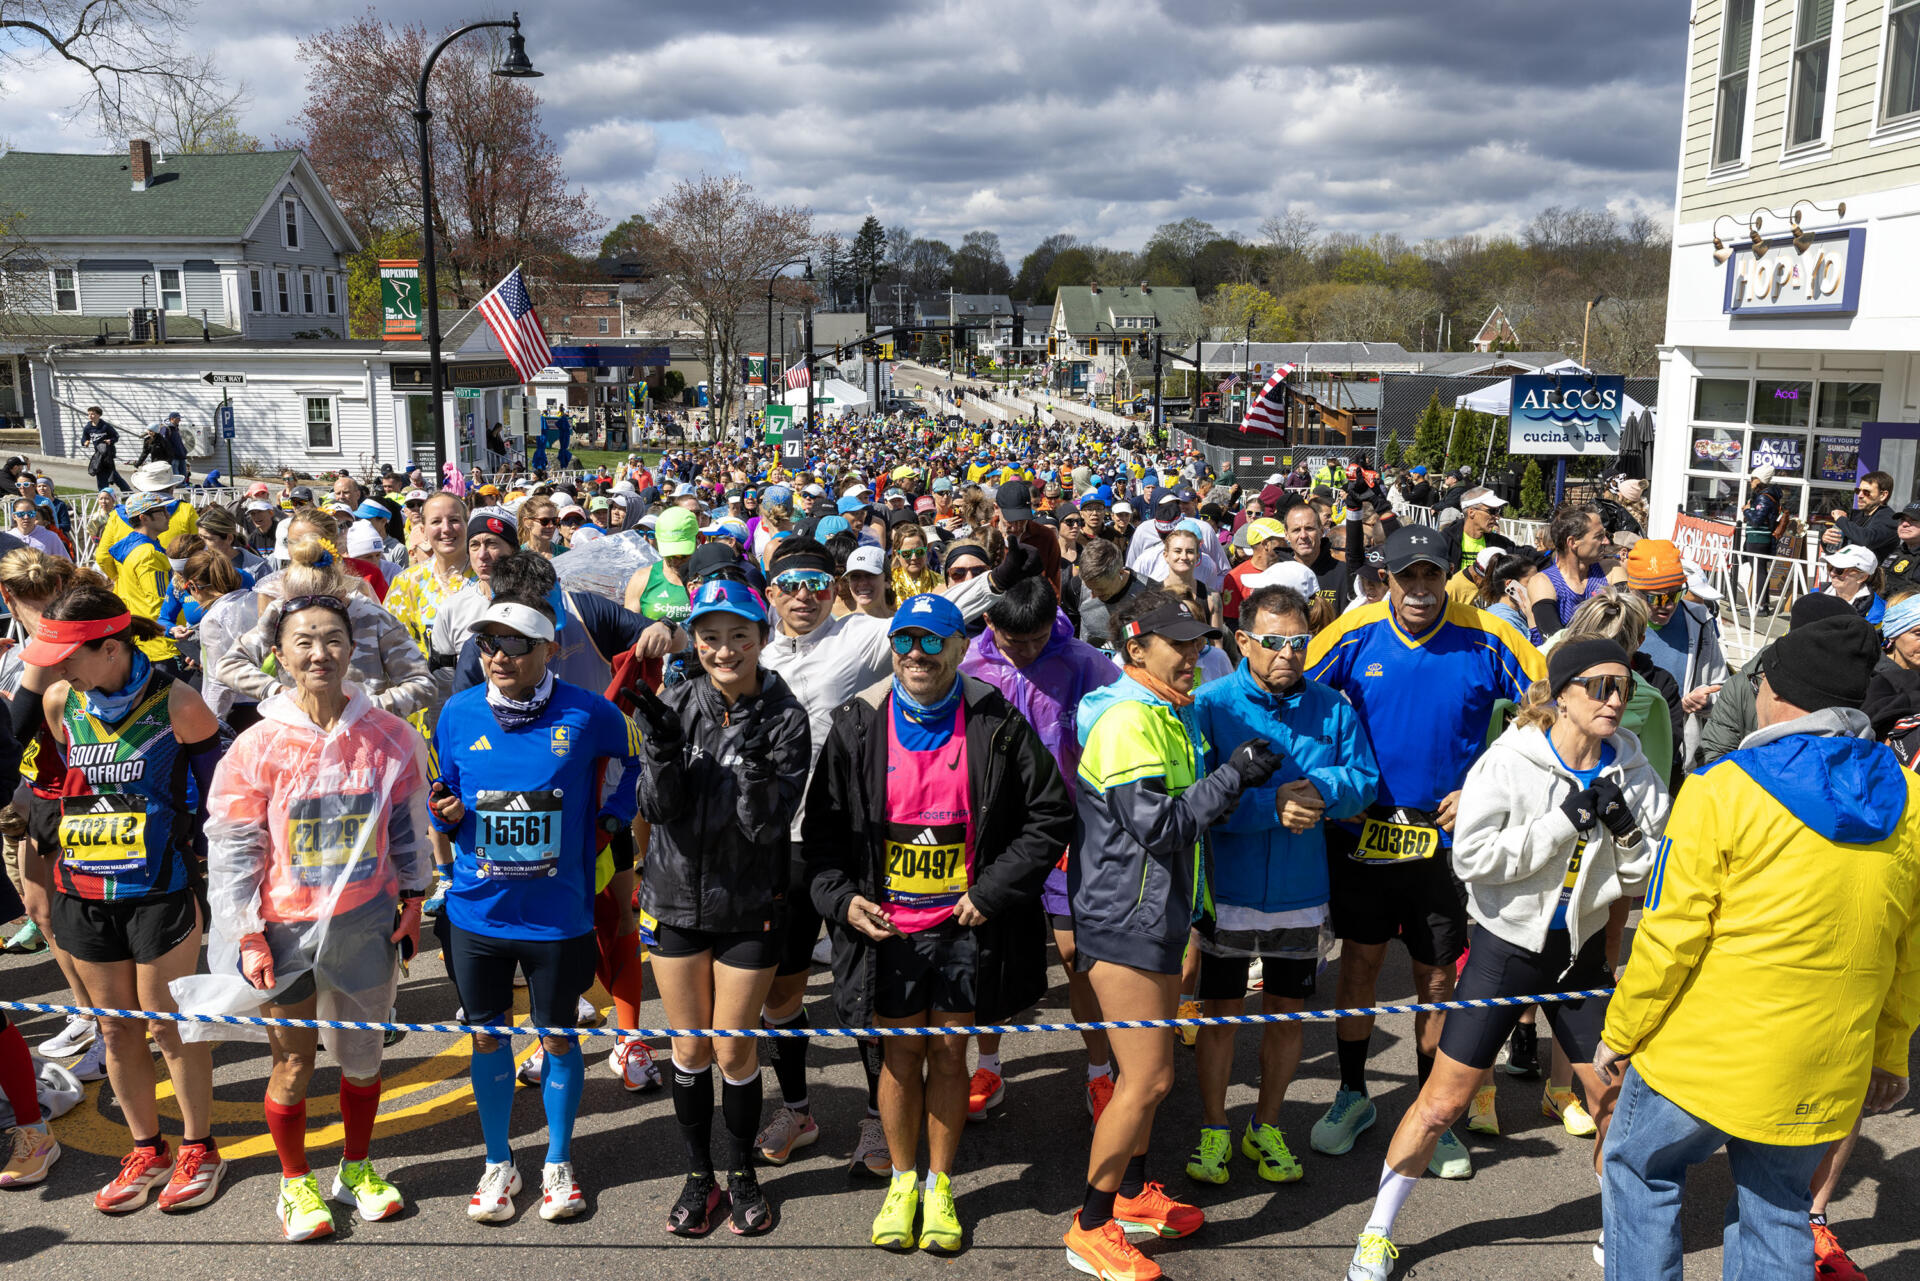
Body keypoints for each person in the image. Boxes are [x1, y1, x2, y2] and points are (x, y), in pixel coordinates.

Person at [1596, 614, 1920, 1281]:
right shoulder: (1912, 798)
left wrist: (1621, 1031)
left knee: (1639, 1168)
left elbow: (1668, 933)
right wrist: (1889, 1050)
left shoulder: (1721, 787)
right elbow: (1908, 949)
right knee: (1778, 1209)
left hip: (1704, 1057)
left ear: (1775, 689)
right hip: (1824, 1061)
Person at [1344, 639, 1668, 1280]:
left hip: (1578, 957)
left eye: (1623, 688)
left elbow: (1645, 870)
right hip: (1503, 951)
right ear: (1564, 694)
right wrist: (1563, 823)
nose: (1614, 700)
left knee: (1617, 1097)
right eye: (1600, 686)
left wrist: (1626, 829)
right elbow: (1473, 861)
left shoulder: (1633, 769)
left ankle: (1616, 1226)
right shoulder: (1511, 761)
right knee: (1442, 1104)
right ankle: (1376, 1231)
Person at [805, 592, 1073, 1254]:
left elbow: (1050, 815)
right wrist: (841, 900)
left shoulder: (997, 720)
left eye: (933, 640)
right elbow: (822, 835)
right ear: (892, 647)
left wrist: (993, 889)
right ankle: (903, 1179)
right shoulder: (857, 723)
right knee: (899, 1054)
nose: (917, 654)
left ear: (961, 648)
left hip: (963, 924)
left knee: (950, 1051)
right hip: (887, 928)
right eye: (906, 640)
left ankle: (942, 1184)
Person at [1303, 525, 1544, 1180]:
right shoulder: (1352, 634)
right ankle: (1352, 1095)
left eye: (1430, 575)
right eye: (1406, 575)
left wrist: (1485, 784)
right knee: (1358, 965)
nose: (1418, 588)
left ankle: (1429, 1115)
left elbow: (1549, 704)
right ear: (1386, 575)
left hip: (1444, 842)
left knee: (1436, 978)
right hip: (1363, 836)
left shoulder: (1487, 635)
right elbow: (1290, 696)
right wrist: (1328, 779)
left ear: (1447, 576)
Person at [196, 593, 432, 1240]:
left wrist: (415, 900)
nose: (318, 652)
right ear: (280, 654)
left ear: (353, 649)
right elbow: (236, 848)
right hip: (284, 927)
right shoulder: (258, 744)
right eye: (303, 640)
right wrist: (246, 933)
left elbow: (410, 828)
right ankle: (295, 1181)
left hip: (366, 921)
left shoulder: (388, 734)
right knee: (294, 1063)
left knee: (362, 1060)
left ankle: (356, 1168)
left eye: (331, 638)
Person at [1064, 588, 1282, 1281]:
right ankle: (1090, 1224)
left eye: (1195, 643)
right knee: (1150, 1076)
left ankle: (1130, 1193)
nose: (1192, 655)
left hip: (1154, 916)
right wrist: (1235, 774)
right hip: (1122, 920)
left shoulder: (1165, 711)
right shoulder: (1130, 718)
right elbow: (1159, 825)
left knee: (1145, 1079)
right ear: (1136, 648)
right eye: (1176, 644)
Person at [13, 584, 228, 1212]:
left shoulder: (181, 704)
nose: (55, 666)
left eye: (68, 654)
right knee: (115, 1028)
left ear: (111, 649)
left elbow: (220, 809)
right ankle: (147, 1148)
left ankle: (199, 1148)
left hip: (158, 889)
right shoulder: (59, 701)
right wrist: (34, 871)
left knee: (168, 1025)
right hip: (82, 887)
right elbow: (52, 795)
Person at [429, 588, 642, 1224]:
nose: (496, 655)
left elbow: (634, 759)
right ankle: (498, 1162)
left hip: (558, 915)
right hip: (478, 913)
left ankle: (556, 1161)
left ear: (550, 649)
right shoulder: (459, 712)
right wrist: (449, 807)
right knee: (489, 1039)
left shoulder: (588, 712)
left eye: (514, 643)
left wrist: (612, 816)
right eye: (485, 643)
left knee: (557, 1039)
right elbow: (449, 784)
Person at [629, 577, 811, 1237]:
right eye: (710, 636)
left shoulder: (786, 713)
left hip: (749, 901)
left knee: (734, 1049)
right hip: (674, 897)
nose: (725, 649)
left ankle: (742, 1173)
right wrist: (663, 752)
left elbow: (767, 827)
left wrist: (756, 768)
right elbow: (655, 809)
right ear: (694, 639)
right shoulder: (675, 699)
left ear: (763, 638)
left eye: (740, 636)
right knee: (689, 1047)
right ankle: (698, 1175)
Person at [1188, 585, 1378, 1187]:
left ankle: (1265, 1124)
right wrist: (1271, 806)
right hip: (1229, 890)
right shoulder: (1209, 704)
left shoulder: (1333, 706)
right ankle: (1215, 1128)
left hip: (1302, 892)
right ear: (1243, 641)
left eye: (1299, 642)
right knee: (1220, 1015)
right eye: (1273, 642)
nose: (1288, 654)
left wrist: (1323, 793)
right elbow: (1195, 799)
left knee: (1288, 1017)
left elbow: (1364, 779)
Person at [956, 577, 1122, 1120]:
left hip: (1072, 828)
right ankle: (989, 1065)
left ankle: (1100, 1073)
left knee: (1078, 958)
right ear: (990, 624)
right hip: (991, 834)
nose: (1025, 651)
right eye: (1012, 640)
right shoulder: (968, 667)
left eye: (1036, 639)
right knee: (987, 956)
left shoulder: (1085, 663)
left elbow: (1120, 728)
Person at [1624, 539, 1727, 769]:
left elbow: (1724, 690)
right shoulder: (1614, 621)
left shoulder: (1700, 620)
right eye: (1656, 597)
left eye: (1675, 595)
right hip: (1626, 747)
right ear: (1633, 590)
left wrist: (1707, 701)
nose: (1667, 605)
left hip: (1680, 752)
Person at [1527, 503, 1612, 637]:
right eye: (1599, 536)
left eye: (1605, 535)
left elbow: (1630, 626)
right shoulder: (1543, 582)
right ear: (1572, 542)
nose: (1606, 542)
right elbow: (1554, 641)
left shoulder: (1611, 570)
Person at [1822, 469, 1898, 564]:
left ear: (1882, 495)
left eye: (1866, 492)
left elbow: (1866, 540)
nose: (1860, 495)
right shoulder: (1857, 516)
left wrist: (1841, 520)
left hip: (1871, 577)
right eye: (1858, 491)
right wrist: (1827, 540)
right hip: (1847, 574)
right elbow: (1840, 547)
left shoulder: (1889, 519)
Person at [1824, 544, 1886, 624]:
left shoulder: (1877, 612)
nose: (1832, 573)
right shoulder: (1814, 595)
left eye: (1840, 570)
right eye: (1830, 566)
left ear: (1862, 577)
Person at [81, 406, 129, 491]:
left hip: (108, 454)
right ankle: (103, 493)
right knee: (100, 474)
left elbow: (116, 436)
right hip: (98, 454)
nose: (90, 416)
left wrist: (110, 440)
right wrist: (85, 442)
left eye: (93, 414)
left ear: (98, 415)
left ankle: (127, 492)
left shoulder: (105, 426)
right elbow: (84, 438)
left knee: (112, 474)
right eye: (89, 414)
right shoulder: (88, 427)